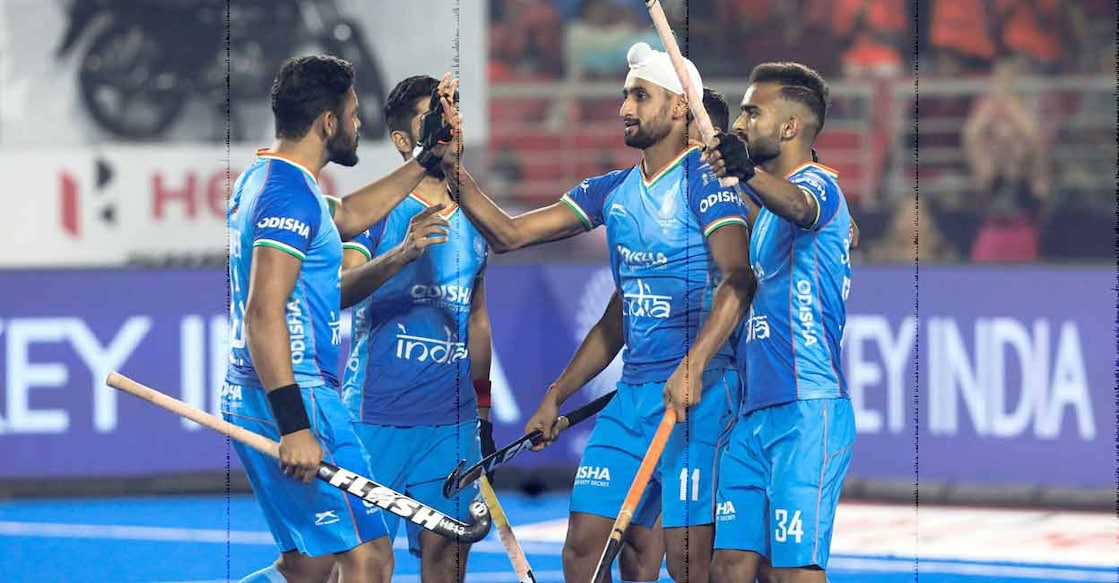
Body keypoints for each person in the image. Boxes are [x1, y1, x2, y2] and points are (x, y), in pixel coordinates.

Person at [443, 42, 756, 582]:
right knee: (584, 551)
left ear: (681, 106)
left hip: (700, 399)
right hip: (634, 399)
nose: (624, 108)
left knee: (688, 565)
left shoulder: (707, 183)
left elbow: (739, 279)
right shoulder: (612, 191)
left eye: (640, 95)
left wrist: (695, 365)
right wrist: (556, 395)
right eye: (624, 95)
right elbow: (512, 235)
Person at [221, 55, 457, 583]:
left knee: (308, 567)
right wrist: (296, 426)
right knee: (369, 559)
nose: (358, 124)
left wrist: (424, 158)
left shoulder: (269, 178)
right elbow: (264, 314)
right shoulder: (289, 195)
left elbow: (345, 217)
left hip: (251, 392)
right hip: (297, 394)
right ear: (329, 122)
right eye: (352, 114)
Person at [703, 62, 856, 583]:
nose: (741, 123)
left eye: (753, 111)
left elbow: (804, 206)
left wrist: (745, 171)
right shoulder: (765, 208)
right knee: (731, 567)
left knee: (794, 573)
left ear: (790, 127)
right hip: (754, 413)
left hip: (805, 411)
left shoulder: (819, 186)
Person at [338, 74, 492, 583]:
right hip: (374, 419)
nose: (450, 128)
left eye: (453, 116)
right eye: (436, 120)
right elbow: (338, 289)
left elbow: (477, 317)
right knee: (363, 568)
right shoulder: (378, 211)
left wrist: (483, 414)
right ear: (406, 142)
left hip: (449, 424)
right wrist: (402, 253)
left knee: (447, 560)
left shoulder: (476, 214)